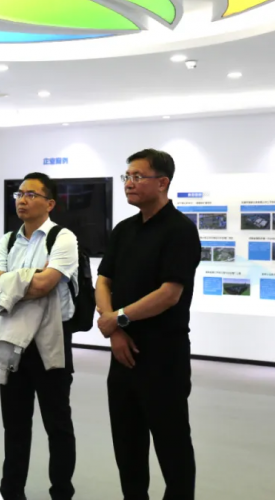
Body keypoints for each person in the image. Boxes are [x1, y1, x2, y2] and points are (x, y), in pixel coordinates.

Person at [95, 149, 201, 500]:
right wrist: (115, 330)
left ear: (163, 182)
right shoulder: (123, 230)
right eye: (127, 176)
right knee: (128, 449)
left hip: (163, 356)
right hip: (122, 355)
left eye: (138, 176)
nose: (129, 183)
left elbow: (169, 294)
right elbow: (103, 281)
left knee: (173, 449)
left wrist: (118, 318)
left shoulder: (180, 231)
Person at [0, 172, 79, 500]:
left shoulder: (62, 238)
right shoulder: (8, 240)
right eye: (19, 194)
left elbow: (45, 284)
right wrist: (31, 276)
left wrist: (14, 281)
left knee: (58, 424)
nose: (22, 200)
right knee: (14, 424)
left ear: (49, 203)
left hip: (50, 339)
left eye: (31, 194)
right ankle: (12, 492)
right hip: (13, 337)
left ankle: (61, 492)